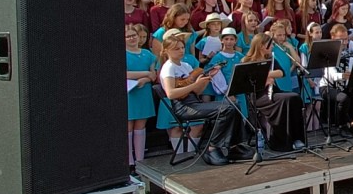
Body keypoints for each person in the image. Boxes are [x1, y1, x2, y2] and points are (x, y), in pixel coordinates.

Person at [156, 33, 239, 166]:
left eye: (182, 47)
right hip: (183, 106)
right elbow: (171, 93)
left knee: (234, 105)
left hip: (194, 102)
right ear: (166, 51)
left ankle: (235, 145)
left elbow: (197, 91)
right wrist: (194, 85)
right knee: (226, 109)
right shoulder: (168, 68)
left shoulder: (186, 66)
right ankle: (213, 146)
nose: (181, 51)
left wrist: (207, 78)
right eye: (176, 49)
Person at [241, 34, 307, 152]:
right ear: (262, 46)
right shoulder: (247, 61)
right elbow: (246, 83)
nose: (272, 46)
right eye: (270, 44)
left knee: (295, 98)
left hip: (272, 92)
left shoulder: (270, 58)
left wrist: (266, 74)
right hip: (258, 96)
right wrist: (263, 79)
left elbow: (281, 72)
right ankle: (281, 141)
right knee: (285, 100)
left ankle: (297, 138)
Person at [124, 24, 158, 167]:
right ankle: (129, 160)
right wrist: (144, 74)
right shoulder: (123, 54)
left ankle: (140, 159)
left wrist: (146, 79)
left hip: (143, 91)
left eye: (134, 35)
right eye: (129, 36)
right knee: (128, 125)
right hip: (130, 92)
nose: (132, 38)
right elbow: (125, 73)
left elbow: (153, 74)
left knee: (140, 124)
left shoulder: (148, 54)